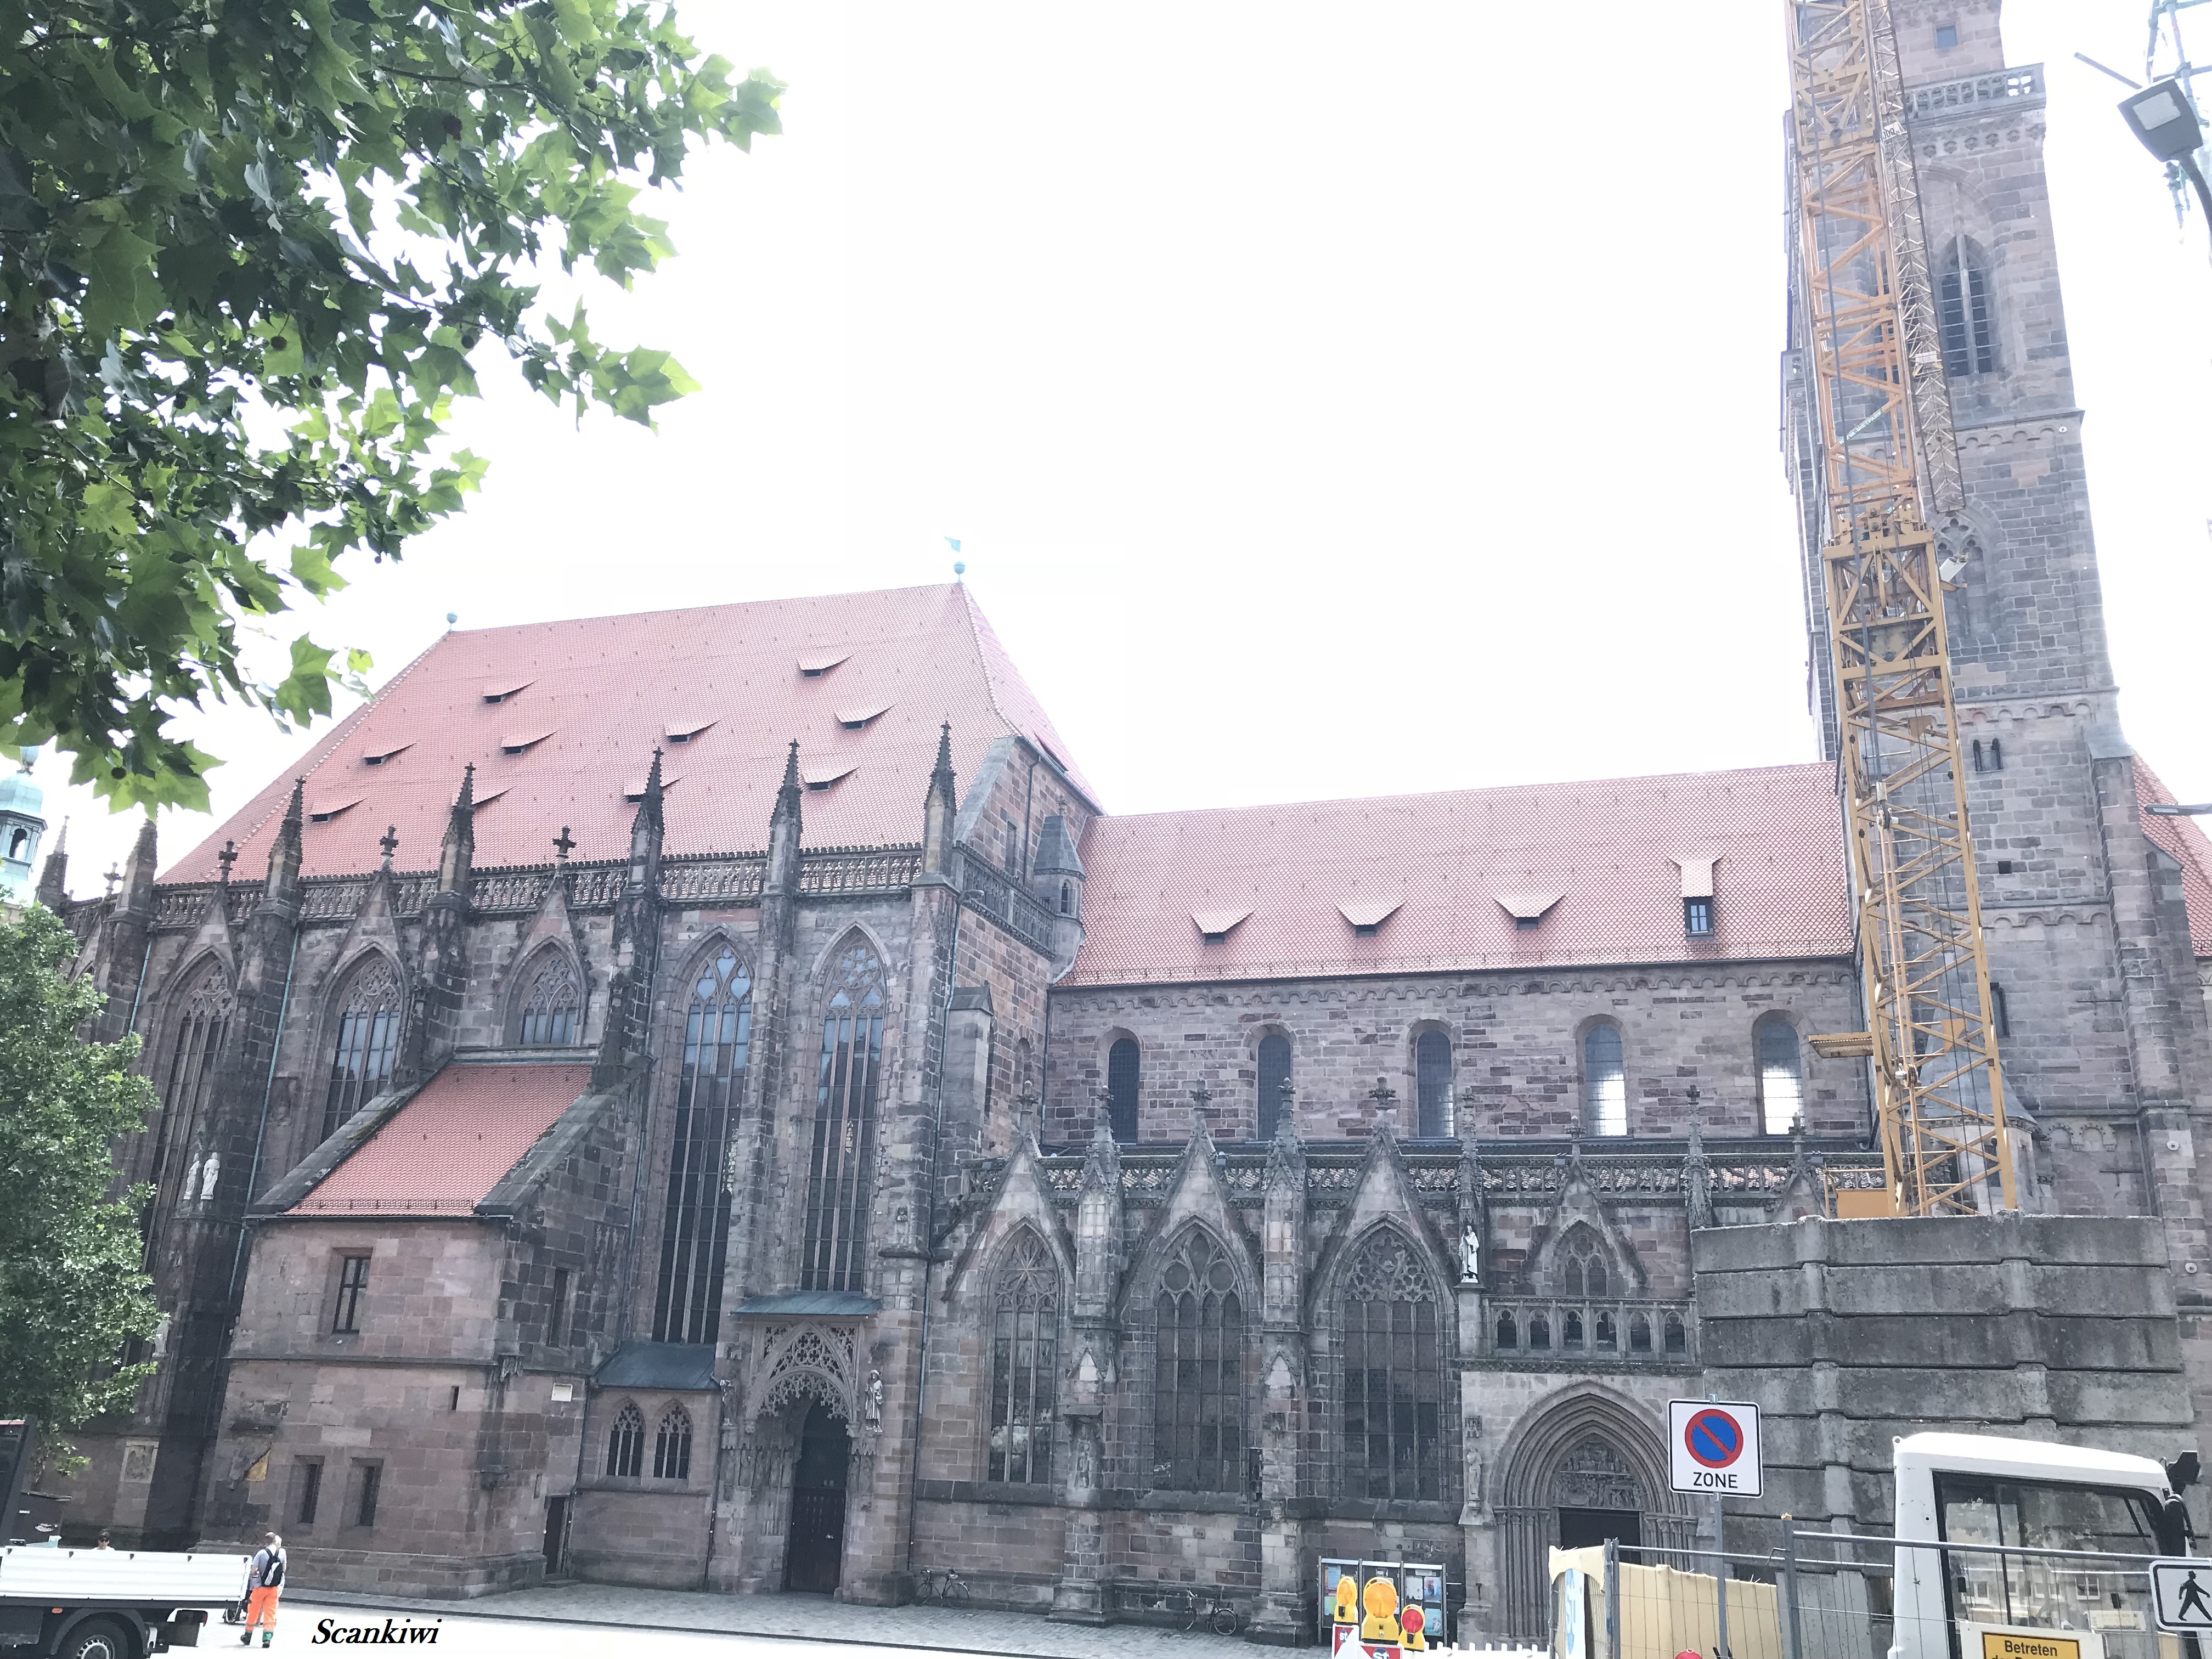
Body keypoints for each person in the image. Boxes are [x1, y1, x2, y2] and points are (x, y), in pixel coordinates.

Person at [241, 1532, 285, 1646]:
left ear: (266, 1542)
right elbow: (284, 1570)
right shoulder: (282, 1553)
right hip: (273, 1589)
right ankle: (267, 1638)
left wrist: (255, 1580)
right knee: (270, 1613)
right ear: (275, 1541)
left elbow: (253, 1570)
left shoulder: (261, 1553)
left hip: (259, 1588)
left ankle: (247, 1637)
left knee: (253, 1612)